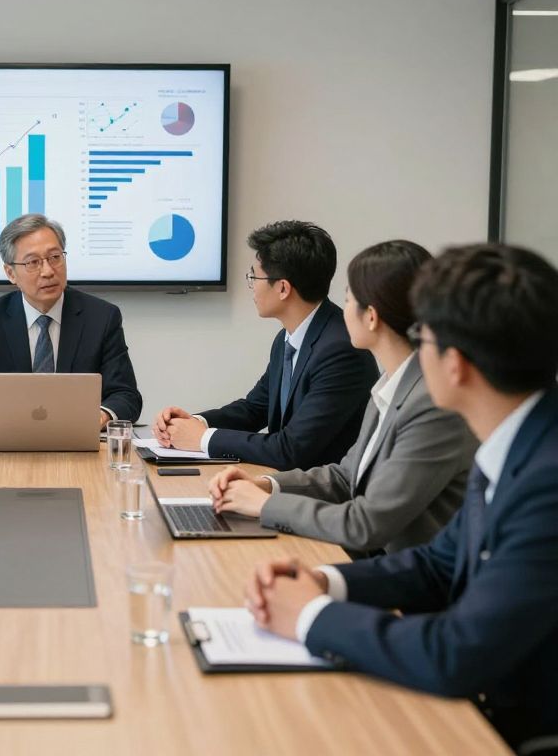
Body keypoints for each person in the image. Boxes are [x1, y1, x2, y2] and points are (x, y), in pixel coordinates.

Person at [243, 244, 558, 751]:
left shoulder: (546, 482)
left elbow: (457, 655)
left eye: (423, 338)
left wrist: (310, 615)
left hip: (511, 726)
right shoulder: (517, 439)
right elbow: (437, 566)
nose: (415, 352)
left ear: (453, 365)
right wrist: (323, 581)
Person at [209, 241, 476, 554]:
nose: (341, 309)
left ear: (372, 317)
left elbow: (365, 525)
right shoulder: (393, 384)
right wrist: (266, 484)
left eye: (349, 299)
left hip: (407, 580)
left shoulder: (432, 404)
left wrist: (267, 505)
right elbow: (345, 475)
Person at [153, 220, 379, 470]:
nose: (252, 286)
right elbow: (254, 409)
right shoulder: (289, 338)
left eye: (254, 276)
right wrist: (194, 422)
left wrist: (201, 439)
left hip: (324, 497)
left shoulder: (340, 350)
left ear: (283, 288)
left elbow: (290, 449)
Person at [0, 213, 142, 429]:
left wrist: (102, 416)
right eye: (33, 262)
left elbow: (126, 395)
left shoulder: (102, 318)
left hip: (78, 444)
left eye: (55, 257)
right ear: (11, 273)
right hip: (9, 443)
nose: (48, 271)